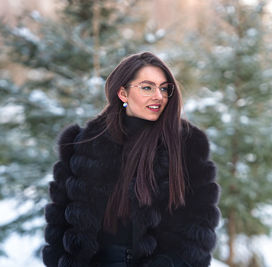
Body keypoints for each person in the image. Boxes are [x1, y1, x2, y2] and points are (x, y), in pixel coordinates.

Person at [42, 52, 221, 267]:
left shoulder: (187, 145)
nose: (159, 96)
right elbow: (59, 225)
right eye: (147, 87)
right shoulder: (82, 144)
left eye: (164, 88)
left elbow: (199, 228)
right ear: (123, 93)